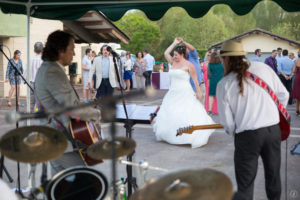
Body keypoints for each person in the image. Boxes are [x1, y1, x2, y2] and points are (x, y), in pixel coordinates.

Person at [216, 40, 289, 200]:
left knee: (245, 184)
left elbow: (228, 123)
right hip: (272, 131)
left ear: (226, 59)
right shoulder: (263, 68)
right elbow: (284, 95)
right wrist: (271, 114)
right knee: (274, 176)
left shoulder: (224, 84)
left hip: (247, 136)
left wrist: (237, 129)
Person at [35, 30, 101, 174]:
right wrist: (96, 115)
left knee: (60, 188)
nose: (74, 54)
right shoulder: (52, 71)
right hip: (59, 141)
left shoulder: (49, 68)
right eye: (71, 49)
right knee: (87, 181)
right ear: (60, 51)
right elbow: (72, 108)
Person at [153, 38, 214, 148]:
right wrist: (174, 43)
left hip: (185, 91)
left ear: (182, 55)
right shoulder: (172, 62)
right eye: (174, 55)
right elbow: (166, 53)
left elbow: (195, 80)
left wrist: (199, 92)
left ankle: (187, 135)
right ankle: (171, 134)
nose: (174, 57)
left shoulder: (188, 65)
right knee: (171, 112)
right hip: (173, 92)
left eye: (176, 55)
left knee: (185, 112)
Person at [177, 37, 205, 105]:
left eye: (184, 48)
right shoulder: (180, 61)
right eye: (180, 49)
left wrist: (183, 42)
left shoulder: (193, 56)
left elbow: (192, 48)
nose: (183, 50)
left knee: (200, 110)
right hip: (188, 89)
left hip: (200, 86)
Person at [23, 42, 43, 111]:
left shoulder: (30, 60)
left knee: (30, 106)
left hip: (30, 84)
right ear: (42, 50)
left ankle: (27, 121)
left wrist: (24, 81)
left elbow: (24, 74)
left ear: (34, 50)